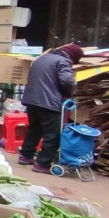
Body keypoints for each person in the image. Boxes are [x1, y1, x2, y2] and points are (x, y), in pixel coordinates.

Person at [18, 44, 85, 174]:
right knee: (52, 134)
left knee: (34, 129)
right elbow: (68, 81)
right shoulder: (63, 61)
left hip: (32, 100)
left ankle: (25, 156)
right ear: (72, 57)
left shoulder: (42, 58)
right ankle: (42, 164)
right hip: (49, 102)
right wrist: (69, 94)